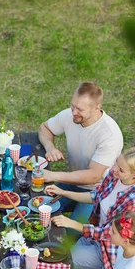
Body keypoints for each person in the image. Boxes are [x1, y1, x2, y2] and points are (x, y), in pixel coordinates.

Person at [46, 147, 135, 269]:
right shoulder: (115, 176)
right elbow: (96, 196)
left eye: (121, 169)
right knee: (60, 254)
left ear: (134, 175)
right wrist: (64, 193)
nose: (114, 169)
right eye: (116, 163)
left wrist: (72, 224)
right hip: (95, 236)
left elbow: (109, 233)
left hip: (109, 248)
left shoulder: (133, 200)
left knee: (63, 258)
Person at [38, 82, 123, 223]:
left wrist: (53, 175)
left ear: (97, 108)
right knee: (41, 208)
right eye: (73, 105)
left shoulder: (109, 135)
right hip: (73, 181)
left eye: (80, 109)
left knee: (69, 235)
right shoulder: (70, 116)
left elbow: (93, 176)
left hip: (97, 191)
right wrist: (50, 147)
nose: (73, 112)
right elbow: (44, 128)